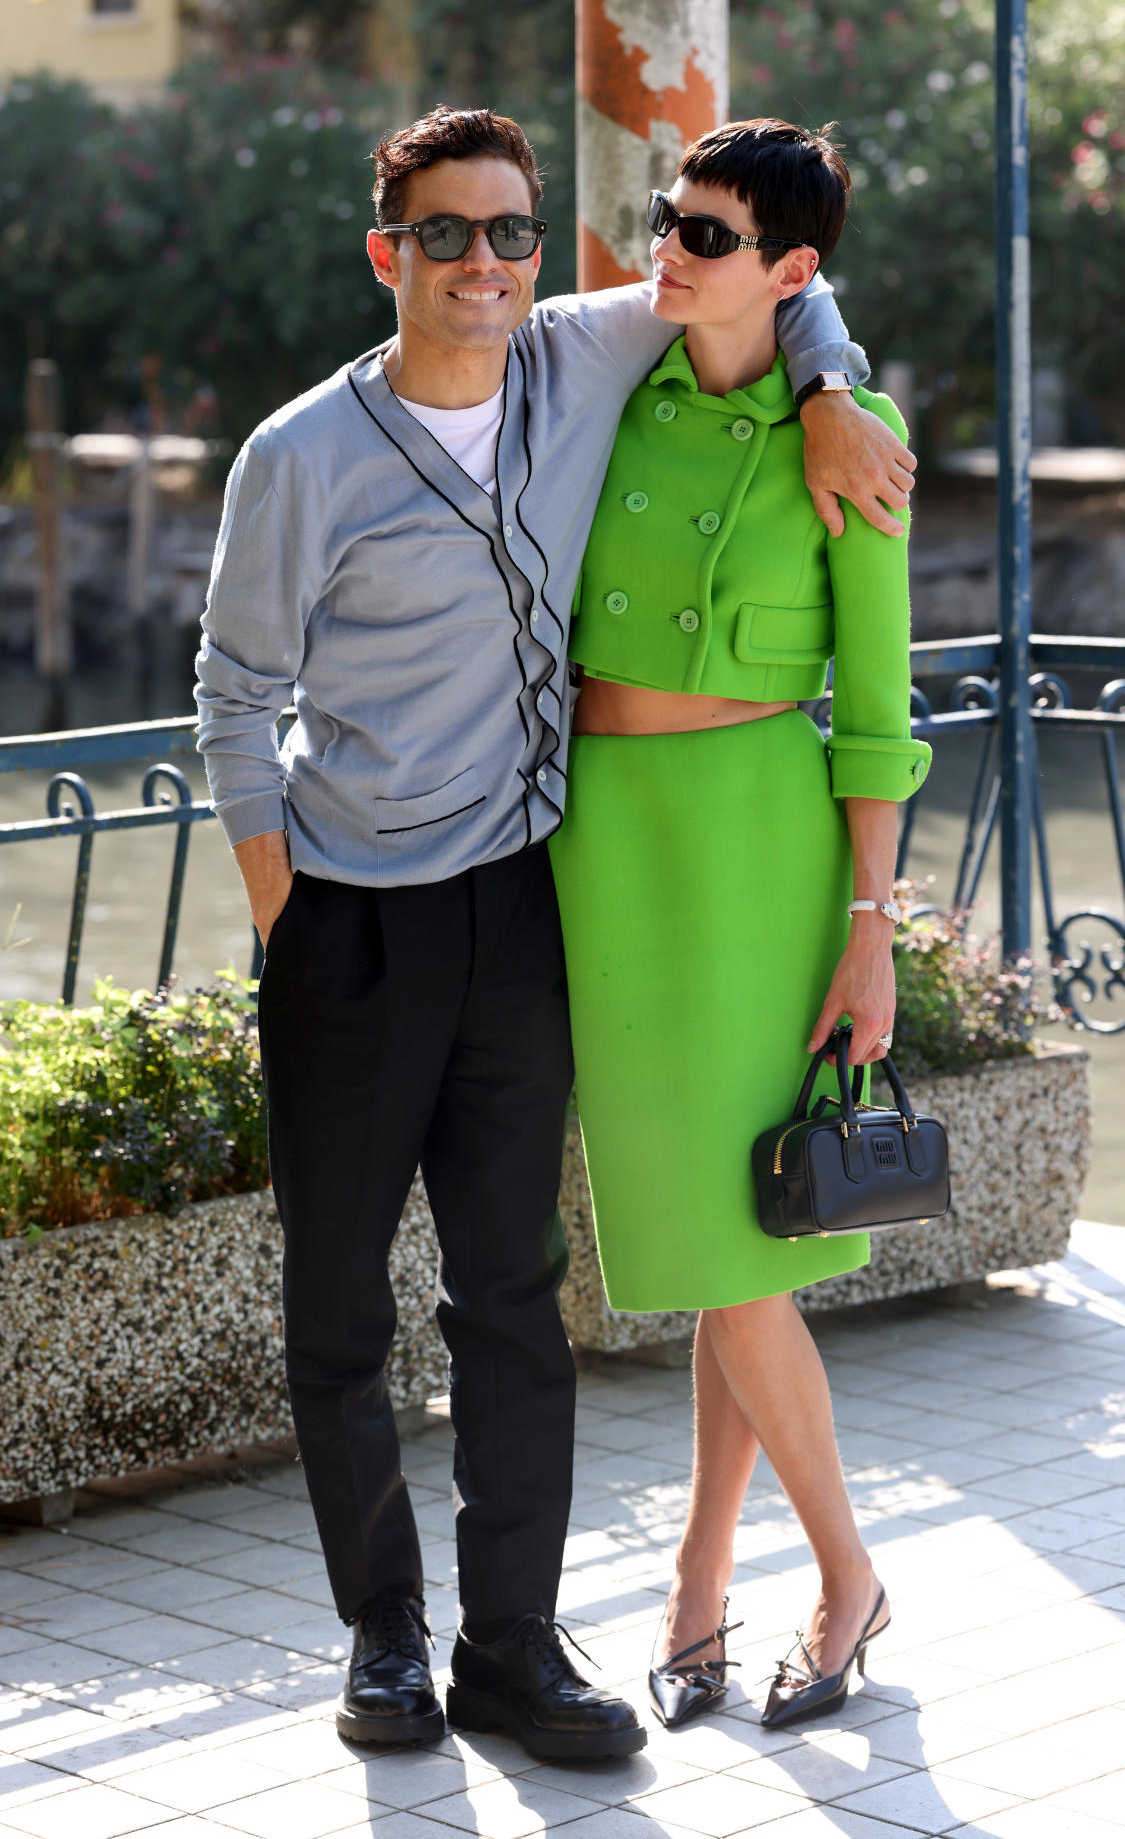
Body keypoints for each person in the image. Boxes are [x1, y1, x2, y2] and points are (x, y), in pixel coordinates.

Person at [194, 104, 916, 1761]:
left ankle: (512, 1641)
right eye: (442, 234)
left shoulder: (581, 354)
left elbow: (779, 287)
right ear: (388, 254)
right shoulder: (298, 453)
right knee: (338, 1305)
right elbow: (232, 699)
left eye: (512, 232)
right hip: (356, 918)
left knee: (515, 1292)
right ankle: (385, 1636)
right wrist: (285, 913)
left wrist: (823, 389)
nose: (484, 261)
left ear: (538, 251)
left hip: (532, 894)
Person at [549, 118, 932, 1733]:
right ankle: (700, 1579)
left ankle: (840, 1575)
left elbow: (876, 707)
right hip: (603, 842)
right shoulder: (611, 382)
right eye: (666, 217)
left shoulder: (850, 437)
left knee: (739, 1252)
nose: (669, 248)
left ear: (789, 270)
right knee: (720, 1246)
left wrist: (868, 924)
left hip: (758, 850)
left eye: (707, 234)